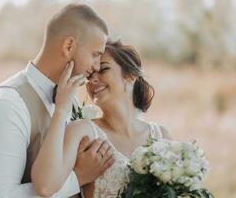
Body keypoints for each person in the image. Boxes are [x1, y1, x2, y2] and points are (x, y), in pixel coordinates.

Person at [0, 4, 114, 198]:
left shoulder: (70, 99)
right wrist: (77, 177)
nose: (97, 66)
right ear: (69, 46)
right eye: (95, 55)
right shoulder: (6, 105)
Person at [33, 39, 172, 198]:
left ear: (130, 76)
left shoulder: (161, 136)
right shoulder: (81, 132)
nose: (93, 80)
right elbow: (46, 188)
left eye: (103, 69)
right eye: (89, 75)